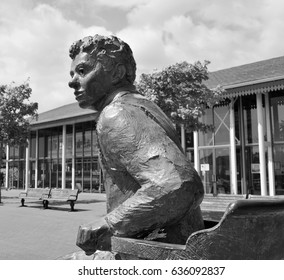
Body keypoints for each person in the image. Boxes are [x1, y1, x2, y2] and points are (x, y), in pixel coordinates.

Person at [67, 34, 204, 259]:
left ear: (118, 73)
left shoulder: (117, 113)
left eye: (82, 71)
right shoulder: (143, 105)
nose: (72, 81)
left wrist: (109, 222)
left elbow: (179, 185)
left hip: (152, 254)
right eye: (72, 73)